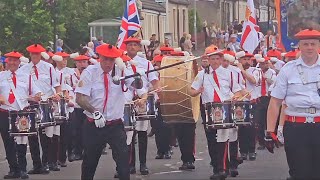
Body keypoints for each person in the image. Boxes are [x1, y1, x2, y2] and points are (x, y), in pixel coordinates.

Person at [75, 43, 143, 180]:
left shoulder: (121, 71)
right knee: (90, 162)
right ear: (99, 57)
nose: (108, 63)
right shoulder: (90, 73)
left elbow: (136, 86)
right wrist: (94, 112)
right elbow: (80, 98)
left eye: (111, 60)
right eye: (105, 59)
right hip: (94, 125)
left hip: (115, 125)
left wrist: (138, 78)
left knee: (124, 162)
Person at [266, 28, 320, 179]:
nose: (309, 47)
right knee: (299, 172)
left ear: (318, 46)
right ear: (299, 47)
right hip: (296, 128)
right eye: (306, 44)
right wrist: (270, 131)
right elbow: (275, 102)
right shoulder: (288, 70)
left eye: (313, 44)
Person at [190, 47, 242, 180]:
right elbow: (191, 91)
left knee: (224, 138)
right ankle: (217, 167)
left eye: (217, 58)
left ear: (221, 59)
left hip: (225, 109)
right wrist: (198, 91)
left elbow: (237, 91)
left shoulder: (229, 73)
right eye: (212, 59)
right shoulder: (202, 74)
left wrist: (236, 97)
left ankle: (222, 169)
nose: (214, 61)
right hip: (209, 110)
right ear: (208, 60)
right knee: (212, 140)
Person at [19, 44, 61, 175]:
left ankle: (46, 162)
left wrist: (57, 95)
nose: (35, 56)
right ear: (30, 55)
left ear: (41, 54)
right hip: (31, 104)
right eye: (33, 54)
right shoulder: (23, 69)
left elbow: (57, 86)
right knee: (32, 135)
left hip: (46, 103)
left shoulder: (48, 68)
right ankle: (36, 164)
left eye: (37, 54)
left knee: (46, 135)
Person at [0, 51, 41, 179]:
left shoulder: (26, 76)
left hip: (21, 114)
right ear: (7, 62)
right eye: (10, 60)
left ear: (19, 62)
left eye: (15, 61)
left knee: (22, 141)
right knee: (8, 142)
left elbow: (37, 93)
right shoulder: (1, 76)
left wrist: (36, 97)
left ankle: (22, 169)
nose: (12, 63)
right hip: (5, 112)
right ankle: (14, 169)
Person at [124, 37, 160, 175]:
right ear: (126, 47)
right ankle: (129, 164)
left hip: (142, 99)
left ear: (139, 47)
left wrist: (157, 91)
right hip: (126, 100)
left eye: (135, 45)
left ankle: (143, 164)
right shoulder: (120, 62)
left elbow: (154, 81)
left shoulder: (146, 64)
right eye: (130, 45)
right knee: (128, 133)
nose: (132, 47)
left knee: (142, 131)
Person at [235, 51, 261, 161]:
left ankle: (252, 150)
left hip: (252, 102)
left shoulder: (256, 70)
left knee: (252, 127)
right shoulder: (234, 71)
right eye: (244, 59)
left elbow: (253, 81)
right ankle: (243, 151)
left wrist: (242, 71)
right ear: (240, 60)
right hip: (240, 103)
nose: (246, 61)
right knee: (241, 128)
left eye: (248, 59)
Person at [254, 56, 276, 150]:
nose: (265, 65)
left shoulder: (272, 72)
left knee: (269, 119)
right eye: (263, 63)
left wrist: (266, 78)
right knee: (259, 121)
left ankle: (271, 139)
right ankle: (261, 142)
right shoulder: (256, 72)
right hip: (259, 98)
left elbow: (274, 83)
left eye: (266, 63)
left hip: (268, 97)